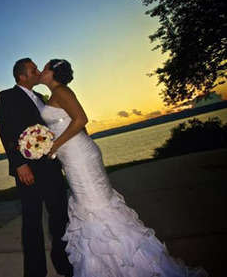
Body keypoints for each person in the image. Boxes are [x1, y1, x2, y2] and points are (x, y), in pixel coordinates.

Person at [39, 59, 209, 277]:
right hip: (74, 156)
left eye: (44, 68)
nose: (42, 71)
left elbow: (81, 119)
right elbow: (72, 123)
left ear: (53, 73)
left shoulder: (61, 91)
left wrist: (57, 144)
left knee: (96, 206)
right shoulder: (55, 95)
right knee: (91, 204)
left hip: (79, 156)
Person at [0, 58, 73, 277]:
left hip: (51, 167)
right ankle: (35, 272)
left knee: (59, 216)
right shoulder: (7, 96)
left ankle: (64, 262)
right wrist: (19, 164)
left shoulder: (41, 97)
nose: (38, 71)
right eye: (33, 70)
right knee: (32, 222)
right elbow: (6, 131)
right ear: (22, 77)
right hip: (28, 171)